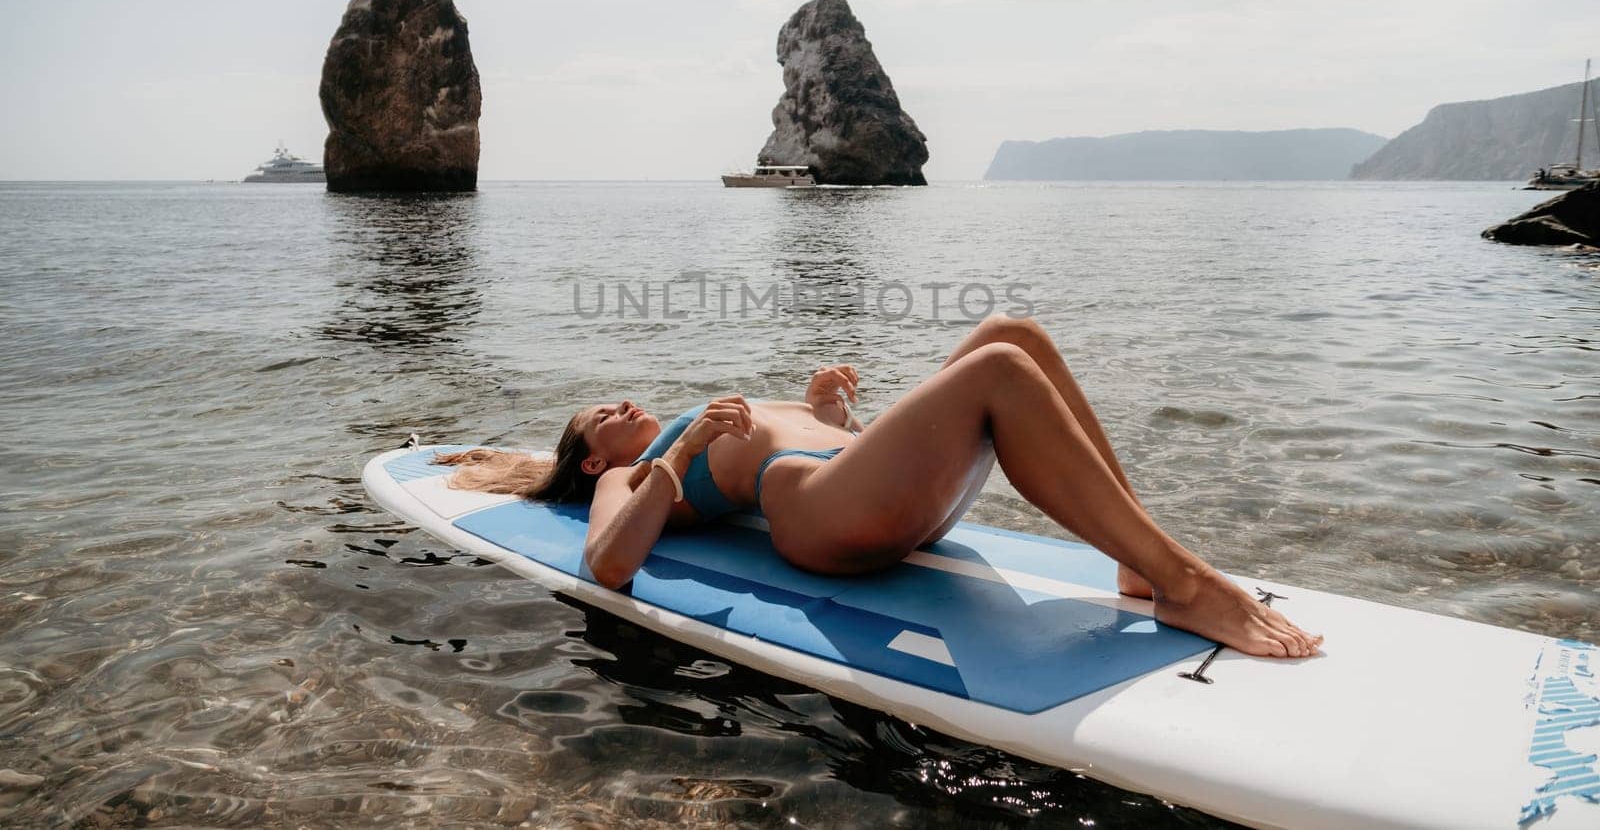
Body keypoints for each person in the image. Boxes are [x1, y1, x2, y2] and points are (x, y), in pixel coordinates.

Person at [438, 315, 1323, 658]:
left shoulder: (679, 424)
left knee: (1010, 334)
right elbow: (609, 564)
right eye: (599, 414)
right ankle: (1184, 583)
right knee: (1004, 366)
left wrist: (836, 414)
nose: (618, 403)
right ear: (591, 458)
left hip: (860, 495)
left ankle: (1135, 561)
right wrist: (685, 449)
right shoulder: (631, 474)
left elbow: (852, 459)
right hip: (819, 524)